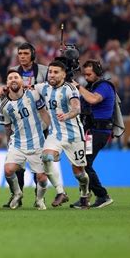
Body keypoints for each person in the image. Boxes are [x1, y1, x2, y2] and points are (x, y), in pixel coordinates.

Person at [34, 61, 90, 209]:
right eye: (50, 72)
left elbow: (77, 109)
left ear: (64, 74)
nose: (51, 75)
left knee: (79, 174)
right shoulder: (43, 87)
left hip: (74, 136)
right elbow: (26, 88)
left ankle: (84, 194)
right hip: (55, 135)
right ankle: (61, 192)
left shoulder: (70, 89)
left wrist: (66, 116)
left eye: (55, 72)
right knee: (46, 157)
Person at [0, 69, 51, 210]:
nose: (13, 80)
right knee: (8, 170)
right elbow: (7, 126)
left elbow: (43, 113)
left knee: (42, 177)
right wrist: (9, 141)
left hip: (38, 141)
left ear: (22, 81)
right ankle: (17, 194)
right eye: (10, 78)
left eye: (16, 77)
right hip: (17, 143)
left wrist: (51, 132)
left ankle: (39, 200)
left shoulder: (33, 94)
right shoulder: (3, 105)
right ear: (7, 83)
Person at [71, 60, 114, 208]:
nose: (86, 77)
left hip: (100, 131)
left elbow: (93, 99)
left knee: (85, 162)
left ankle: (102, 196)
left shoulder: (105, 86)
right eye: (84, 74)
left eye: (89, 74)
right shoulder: (91, 87)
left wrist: (78, 86)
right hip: (90, 131)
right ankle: (86, 198)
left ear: (98, 73)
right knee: (83, 162)